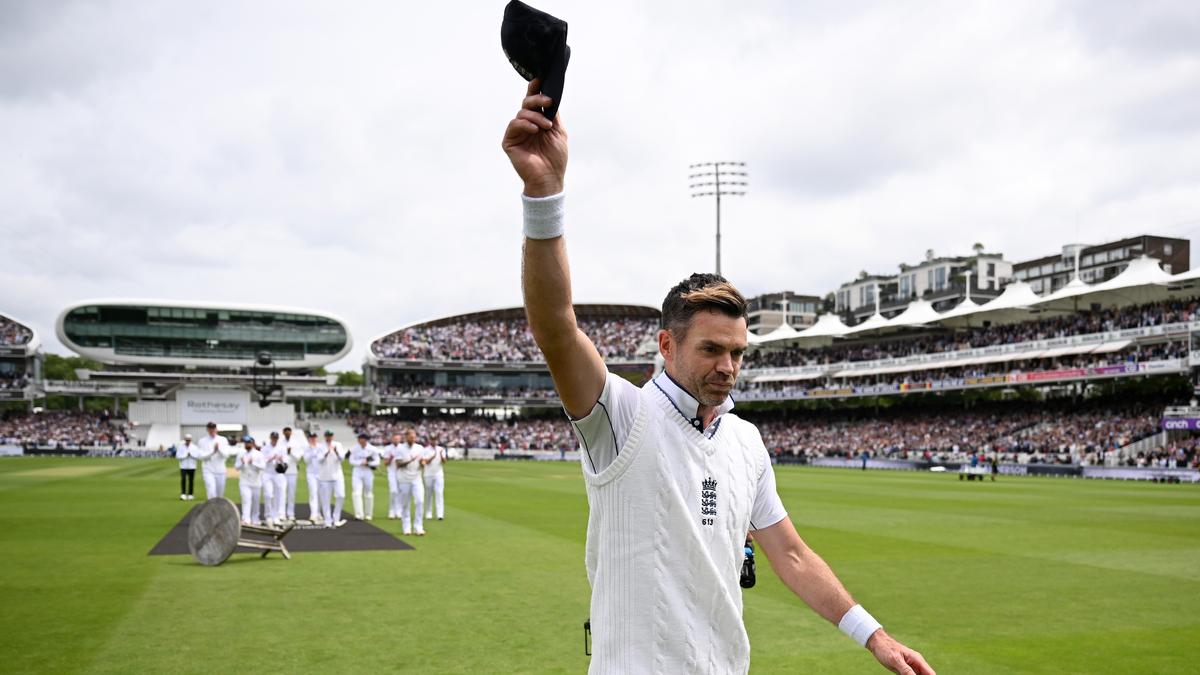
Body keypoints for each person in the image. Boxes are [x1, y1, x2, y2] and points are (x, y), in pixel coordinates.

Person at [502, 80, 934, 675]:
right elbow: (554, 326)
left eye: (737, 351)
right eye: (710, 349)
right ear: (666, 344)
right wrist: (543, 191)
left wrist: (876, 637)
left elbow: (792, 555)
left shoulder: (745, 441)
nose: (727, 366)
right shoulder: (620, 416)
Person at [394, 427, 425, 536]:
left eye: (414, 437)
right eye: (411, 437)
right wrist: (409, 461)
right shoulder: (400, 448)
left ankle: (418, 527)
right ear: (406, 437)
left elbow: (422, 461)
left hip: (417, 478)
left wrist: (423, 463)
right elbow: (398, 464)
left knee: (420, 501)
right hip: (404, 479)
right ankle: (406, 527)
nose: (413, 439)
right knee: (405, 504)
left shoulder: (420, 448)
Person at [317, 430, 347, 528]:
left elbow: (342, 459)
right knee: (326, 499)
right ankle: (328, 520)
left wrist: (336, 452)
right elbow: (319, 460)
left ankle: (336, 518)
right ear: (324, 436)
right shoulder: (320, 446)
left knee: (340, 495)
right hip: (324, 476)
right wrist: (327, 452)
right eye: (327, 436)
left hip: (337, 475)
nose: (329, 438)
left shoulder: (338, 444)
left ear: (333, 436)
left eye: (330, 436)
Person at [349, 432, 381, 520]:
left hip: (368, 472)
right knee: (356, 492)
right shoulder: (354, 449)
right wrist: (360, 462)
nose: (360, 441)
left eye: (361, 439)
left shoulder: (373, 449)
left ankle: (368, 514)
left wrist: (369, 463)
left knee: (368, 493)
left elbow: (377, 462)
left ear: (365, 440)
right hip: (357, 471)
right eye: (359, 439)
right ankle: (359, 514)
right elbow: (351, 461)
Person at [234, 436, 266, 525]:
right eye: (245, 443)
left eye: (248, 443)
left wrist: (253, 462)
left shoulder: (259, 454)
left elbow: (263, 466)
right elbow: (236, 467)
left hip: (256, 482)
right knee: (246, 499)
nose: (246, 444)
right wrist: (242, 463)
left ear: (252, 443)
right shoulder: (241, 454)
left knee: (256, 501)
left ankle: (255, 518)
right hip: (244, 481)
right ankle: (246, 519)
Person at [197, 422, 232, 500]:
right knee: (211, 491)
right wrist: (212, 452)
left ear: (216, 429)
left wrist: (218, 449)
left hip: (220, 470)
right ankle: (211, 510)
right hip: (208, 470)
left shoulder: (223, 440)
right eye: (210, 428)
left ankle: (218, 510)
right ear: (207, 429)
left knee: (220, 494)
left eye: (213, 428)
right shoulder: (202, 441)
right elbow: (201, 457)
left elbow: (226, 455)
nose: (212, 430)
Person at [260, 431, 286, 526]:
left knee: (278, 495)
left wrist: (281, 459)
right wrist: (271, 458)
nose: (274, 439)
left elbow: (285, 461)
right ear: (270, 438)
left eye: (276, 438)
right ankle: (268, 515)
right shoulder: (265, 448)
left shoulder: (281, 447)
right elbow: (262, 461)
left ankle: (276, 516)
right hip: (267, 473)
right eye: (273, 438)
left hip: (278, 473)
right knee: (268, 494)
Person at [423, 436, 448, 521]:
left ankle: (440, 514)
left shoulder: (441, 449)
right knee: (428, 494)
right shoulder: (425, 450)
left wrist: (441, 455)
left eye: (435, 440)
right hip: (428, 474)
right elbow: (425, 462)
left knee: (439, 493)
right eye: (432, 439)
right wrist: (433, 456)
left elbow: (444, 462)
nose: (434, 441)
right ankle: (428, 512)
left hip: (438, 474)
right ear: (430, 440)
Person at [280, 426, 303, 521]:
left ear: (291, 433)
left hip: (292, 471)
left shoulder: (296, 443)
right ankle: (281, 513)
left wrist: (291, 452)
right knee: (281, 493)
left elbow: (298, 458)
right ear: (283, 433)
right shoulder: (280, 443)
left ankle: (290, 513)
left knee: (291, 493)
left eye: (289, 432)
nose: (287, 434)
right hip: (282, 471)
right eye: (286, 432)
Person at [302, 430, 323, 523]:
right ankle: (313, 514)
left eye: (314, 437)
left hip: (321, 473)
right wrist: (313, 451)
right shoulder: (306, 447)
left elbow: (322, 459)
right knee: (313, 493)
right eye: (311, 437)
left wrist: (314, 451)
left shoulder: (321, 447)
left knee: (320, 494)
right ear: (309, 438)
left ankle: (319, 513)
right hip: (311, 473)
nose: (313, 439)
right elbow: (306, 460)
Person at [382, 432, 403, 519]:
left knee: (400, 492)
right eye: (395, 439)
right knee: (393, 491)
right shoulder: (388, 448)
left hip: (401, 472)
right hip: (392, 472)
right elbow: (385, 463)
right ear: (392, 439)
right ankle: (391, 510)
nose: (396, 440)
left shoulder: (403, 448)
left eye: (398, 439)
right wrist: (390, 458)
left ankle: (398, 511)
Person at [175, 433, 199, 500]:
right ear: (185, 440)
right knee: (183, 479)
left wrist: (191, 455)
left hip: (192, 466)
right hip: (183, 466)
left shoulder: (194, 447)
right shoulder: (180, 447)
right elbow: (177, 456)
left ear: (191, 440)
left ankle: (191, 494)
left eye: (189, 440)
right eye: (187, 440)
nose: (188, 441)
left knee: (191, 480)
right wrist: (185, 455)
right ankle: (183, 494)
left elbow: (197, 456)